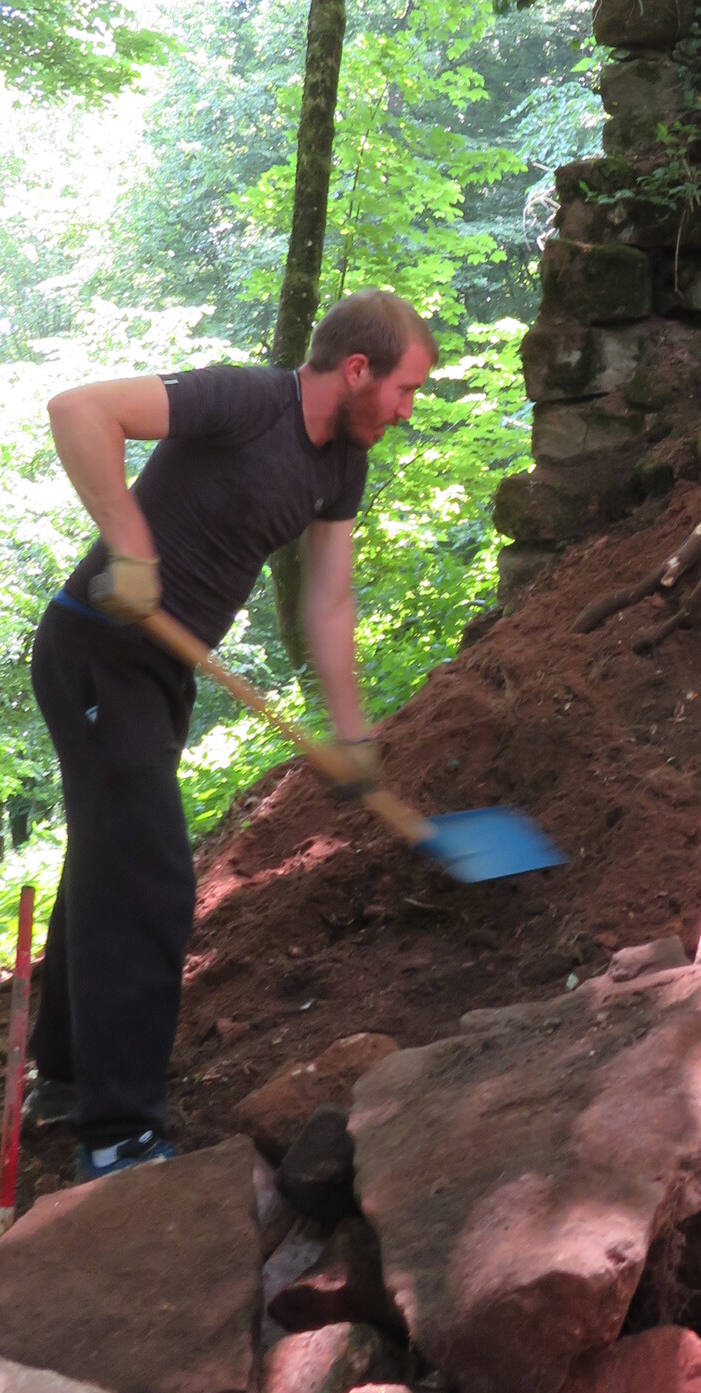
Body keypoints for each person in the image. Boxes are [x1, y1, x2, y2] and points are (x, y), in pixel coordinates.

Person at [26, 290, 435, 1178]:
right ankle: (119, 1136)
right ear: (356, 370)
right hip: (97, 649)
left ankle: (62, 1076)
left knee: (111, 854)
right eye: (405, 389)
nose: (408, 410)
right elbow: (79, 409)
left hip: (161, 671)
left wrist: (354, 737)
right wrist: (129, 546)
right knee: (150, 877)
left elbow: (328, 600)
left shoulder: (342, 466)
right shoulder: (246, 401)